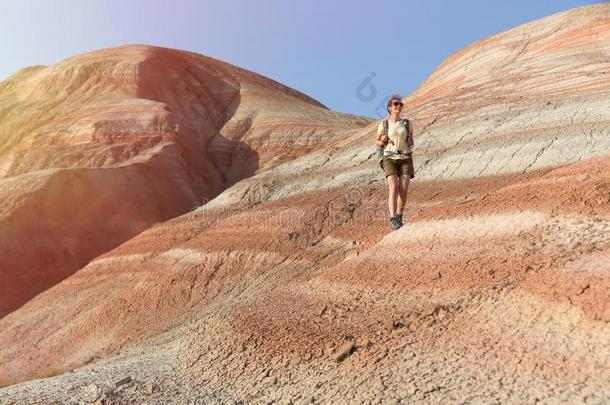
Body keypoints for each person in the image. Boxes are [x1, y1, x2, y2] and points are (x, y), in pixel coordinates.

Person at [375, 95, 415, 231]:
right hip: (389, 157)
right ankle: (393, 218)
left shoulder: (407, 123)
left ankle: (399, 215)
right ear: (389, 108)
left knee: (403, 190)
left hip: (405, 157)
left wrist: (410, 142)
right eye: (396, 104)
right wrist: (383, 140)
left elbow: (411, 141)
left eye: (400, 104)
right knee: (394, 186)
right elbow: (377, 141)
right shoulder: (384, 125)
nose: (398, 106)